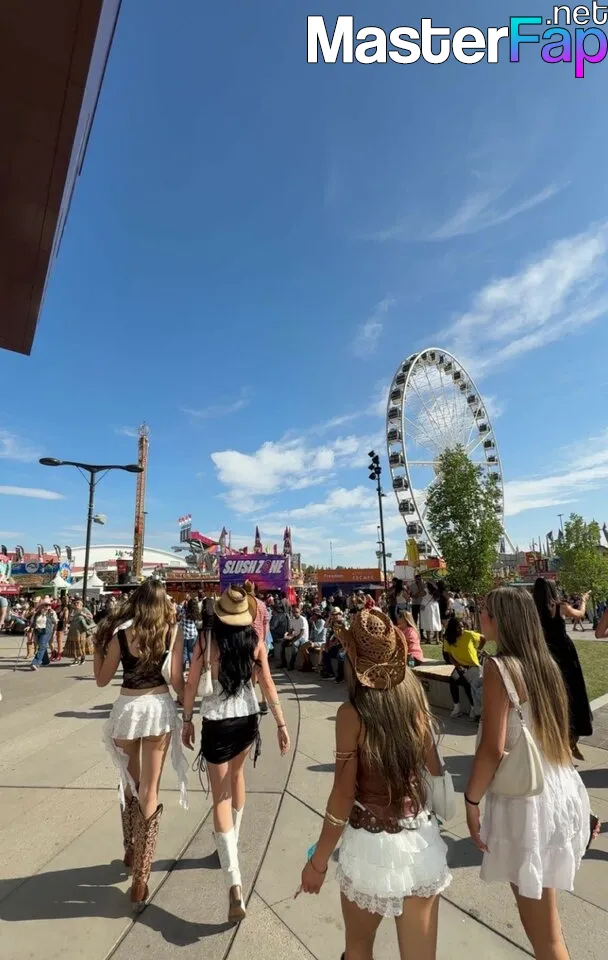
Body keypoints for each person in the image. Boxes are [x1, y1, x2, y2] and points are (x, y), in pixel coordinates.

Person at [300, 608, 451, 960]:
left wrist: (318, 862)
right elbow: (434, 770)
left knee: (357, 950)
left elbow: (342, 795)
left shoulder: (351, 714)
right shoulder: (414, 701)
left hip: (370, 843)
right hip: (418, 839)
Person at [465, 586, 594, 960]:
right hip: (558, 786)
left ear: (501, 620)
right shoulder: (545, 664)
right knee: (547, 924)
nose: (479, 616)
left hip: (526, 801)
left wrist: (471, 800)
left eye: (485, 610)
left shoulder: (499, 668)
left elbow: (492, 749)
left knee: (544, 936)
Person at [181, 586, 290, 923]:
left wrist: (186, 720)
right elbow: (267, 683)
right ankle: (232, 841)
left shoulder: (206, 641)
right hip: (246, 717)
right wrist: (281, 723)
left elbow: (190, 684)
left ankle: (234, 880)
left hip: (217, 720)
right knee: (239, 777)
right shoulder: (254, 641)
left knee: (220, 799)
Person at [95, 581, 187, 911]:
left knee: (129, 783)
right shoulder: (170, 632)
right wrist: (189, 708)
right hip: (158, 708)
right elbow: (176, 679)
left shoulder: (121, 634)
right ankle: (140, 879)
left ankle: (131, 847)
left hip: (128, 710)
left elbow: (102, 680)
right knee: (150, 790)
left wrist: (98, 647)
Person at [532, 578, 593, 760]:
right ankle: (572, 737)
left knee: (555, 696)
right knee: (573, 692)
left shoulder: (533, 610)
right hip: (565, 654)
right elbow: (580, 614)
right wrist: (583, 600)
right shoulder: (559, 607)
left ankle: (561, 737)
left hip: (546, 654)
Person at [443, 616, 485, 720]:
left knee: (467, 683)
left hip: (473, 666)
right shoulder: (448, 639)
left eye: (462, 627)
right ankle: (456, 707)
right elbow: (450, 657)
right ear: (453, 629)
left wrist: (478, 649)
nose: (461, 629)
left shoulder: (469, 634)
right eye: (458, 627)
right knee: (452, 680)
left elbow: (483, 638)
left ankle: (474, 709)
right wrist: (458, 667)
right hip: (460, 666)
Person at [243, 580, 270, 713]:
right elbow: (266, 623)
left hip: (248, 641)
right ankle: (264, 701)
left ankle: (252, 700)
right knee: (262, 673)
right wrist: (263, 640)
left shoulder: (243, 603)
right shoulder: (261, 604)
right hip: (260, 642)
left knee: (249, 673)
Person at [30, 599, 58, 670]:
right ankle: (45, 661)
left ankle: (35, 663)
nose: (48, 607)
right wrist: (29, 627)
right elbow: (32, 622)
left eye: (49, 605)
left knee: (42, 645)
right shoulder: (36, 614)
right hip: (37, 631)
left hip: (46, 631)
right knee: (42, 647)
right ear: (41, 606)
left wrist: (54, 632)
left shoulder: (51, 613)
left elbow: (55, 622)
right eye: (46, 605)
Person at [65, 598, 94, 665]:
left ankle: (82, 659)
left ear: (81, 604)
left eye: (77, 603)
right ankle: (76, 659)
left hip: (81, 631)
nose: (76, 604)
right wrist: (69, 618)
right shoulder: (73, 610)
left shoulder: (84, 609)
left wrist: (83, 614)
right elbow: (69, 620)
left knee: (81, 645)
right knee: (74, 646)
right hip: (73, 630)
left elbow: (91, 617)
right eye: (75, 603)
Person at [283, 604, 309, 670]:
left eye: (297, 612)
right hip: (296, 636)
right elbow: (291, 629)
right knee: (283, 643)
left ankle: (291, 664)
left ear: (300, 612)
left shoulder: (302, 619)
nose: (295, 613)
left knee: (294, 644)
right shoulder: (293, 619)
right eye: (294, 612)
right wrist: (287, 635)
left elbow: (302, 633)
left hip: (302, 638)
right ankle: (283, 663)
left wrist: (293, 640)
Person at [180, 596, 200, 671]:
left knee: (184, 652)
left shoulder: (184, 613)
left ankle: (183, 669)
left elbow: (178, 609)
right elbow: (197, 624)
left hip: (184, 635)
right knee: (191, 652)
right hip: (193, 635)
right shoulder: (196, 614)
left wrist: (183, 603)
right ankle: (192, 668)